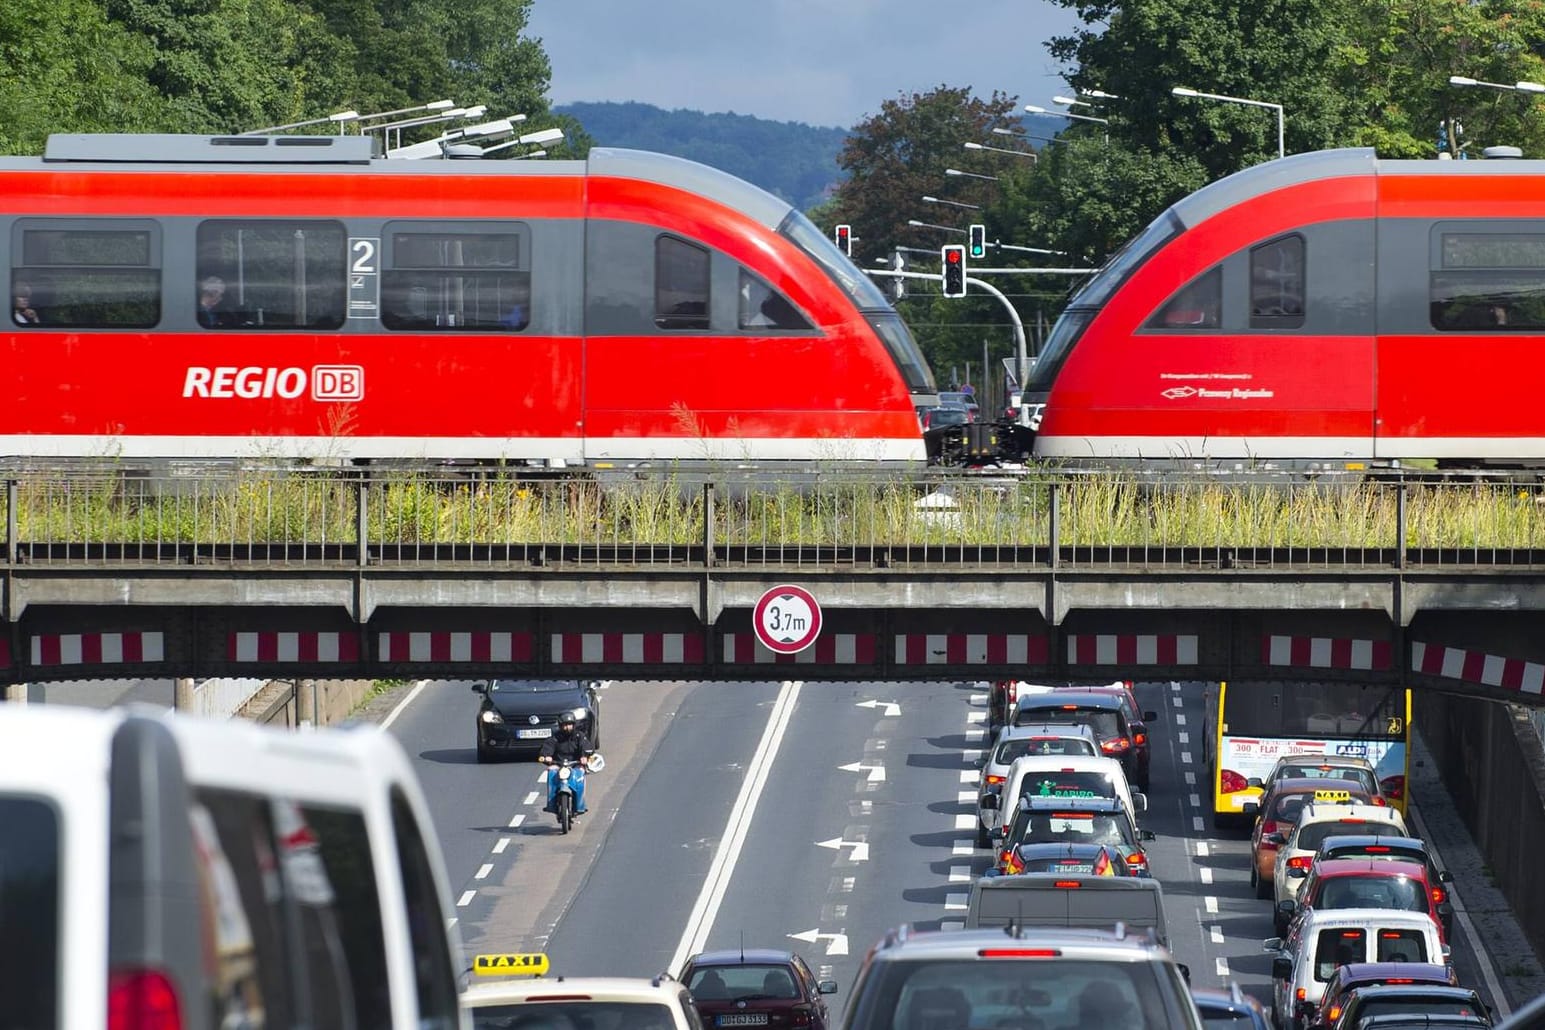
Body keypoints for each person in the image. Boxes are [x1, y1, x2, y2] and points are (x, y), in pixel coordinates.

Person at [538, 715, 591, 816]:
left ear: (574, 725)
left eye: (570, 725)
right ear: (560, 726)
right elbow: (547, 747)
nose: (567, 727)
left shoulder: (579, 736)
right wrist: (546, 756)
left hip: (575, 764)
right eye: (565, 725)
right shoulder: (555, 737)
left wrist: (584, 756)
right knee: (551, 772)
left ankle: (580, 806)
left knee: (580, 774)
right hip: (558, 764)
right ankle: (551, 805)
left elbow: (586, 746)